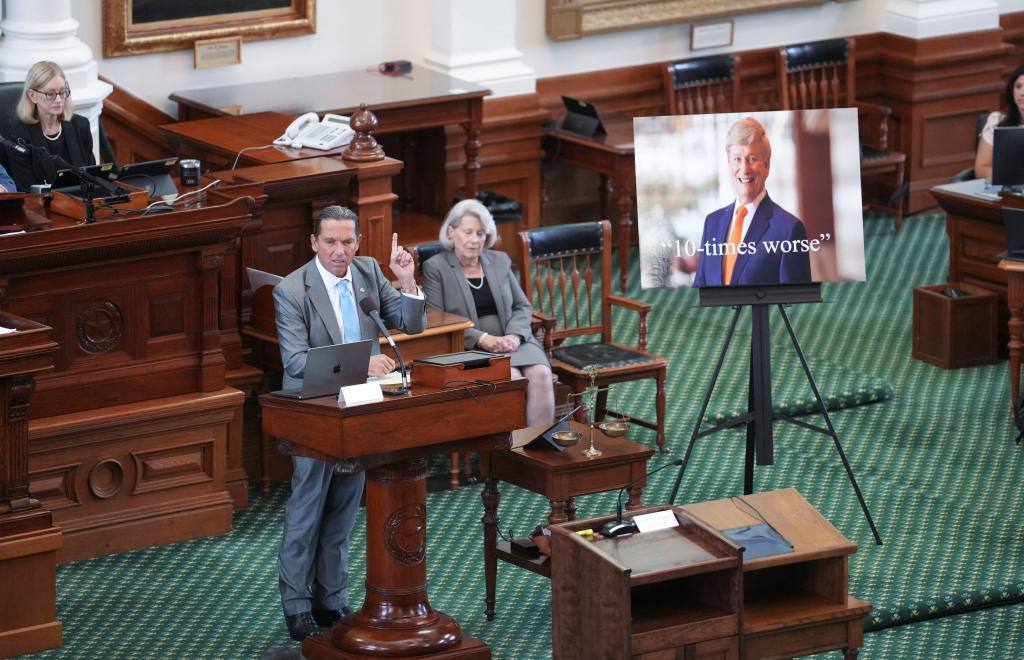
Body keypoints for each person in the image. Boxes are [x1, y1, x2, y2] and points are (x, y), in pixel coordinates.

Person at [272, 205, 425, 641]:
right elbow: (297, 362)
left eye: (347, 242)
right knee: (308, 507)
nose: (340, 251)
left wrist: (407, 280)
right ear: (314, 243)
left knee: (344, 506)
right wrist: (361, 364)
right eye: (331, 242)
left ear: (358, 242)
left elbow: (410, 324)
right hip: (315, 411)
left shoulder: (369, 272)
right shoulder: (291, 290)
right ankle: (296, 605)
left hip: (361, 408)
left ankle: (331, 597)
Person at [422, 199, 555, 427]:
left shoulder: (499, 261)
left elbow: (522, 306)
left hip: (513, 340)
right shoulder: (436, 267)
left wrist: (515, 335)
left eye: (481, 233)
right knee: (511, 376)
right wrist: (484, 339)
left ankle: (539, 450)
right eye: (468, 232)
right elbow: (436, 321)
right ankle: (511, 450)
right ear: (452, 232)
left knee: (541, 374)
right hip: (468, 346)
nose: (475, 240)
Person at [693, 117, 812, 287]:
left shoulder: (788, 229)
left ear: (767, 165)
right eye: (737, 159)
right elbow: (699, 292)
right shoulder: (711, 223)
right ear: (728, 164)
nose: (744, 169)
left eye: (752, 159)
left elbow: (795, 303)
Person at [3, 60, 95, 192]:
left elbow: (91, 176)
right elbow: (25, 187)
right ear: (32, 95)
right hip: (40, 207)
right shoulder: (18, 133)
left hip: (80, 203)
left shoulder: (80, 126)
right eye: (50, 94)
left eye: (62, 92)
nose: (58, 100)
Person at [974, 64, 1024, 181]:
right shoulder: (996, 122)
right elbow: (981, 169)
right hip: (1006, 191)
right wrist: (1012, 176)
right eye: (1018, 86)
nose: (1022, 92)